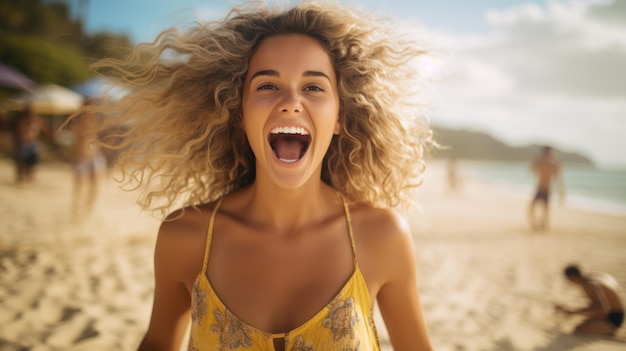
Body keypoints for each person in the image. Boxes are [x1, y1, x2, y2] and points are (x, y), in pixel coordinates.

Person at [84, 1, 433, 350]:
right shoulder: (185, 236)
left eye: (313, 87)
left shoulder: (382, 238)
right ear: (238, 113)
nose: (290, 101)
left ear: (341, 116)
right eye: (267, 86)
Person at [555, 264, 624, 336]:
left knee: (578, 330)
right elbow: (599, 303)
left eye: (568, 280)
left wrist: (572, 312)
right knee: (584, 320)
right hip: (616, 312)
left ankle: (610, 330)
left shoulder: (589, 285)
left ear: (572, 278)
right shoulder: (594, 276)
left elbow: (602, 308)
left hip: (614, 318)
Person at [67, 99, 106, 219]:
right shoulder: (77, 122)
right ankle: (76, 209)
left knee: (95, 185)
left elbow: (96, 139)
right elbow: (76, 139)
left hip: (94, 156)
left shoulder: (95, 121)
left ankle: (88, 209)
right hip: (81, 158)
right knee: (80, 186)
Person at [527, 145, 564, 231]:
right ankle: (535, 224)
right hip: (539, 189)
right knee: (532, 208)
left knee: (545, 210)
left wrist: (561, 192)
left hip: (546, 190)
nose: (551, 155)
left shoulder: (553, 165)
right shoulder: (540, 162)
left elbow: (558, 179)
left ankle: (543, 225)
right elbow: (532, 170)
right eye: (550, 153)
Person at [14, 104, 52, 183]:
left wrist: (50, 136)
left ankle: (29, 178)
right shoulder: (23, 121)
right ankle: (21, 178)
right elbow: (20, 132)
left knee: (32, 162)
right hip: (24, 143)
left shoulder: (38, 121)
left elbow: (45, 130)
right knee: (21, 162)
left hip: (32, 144)